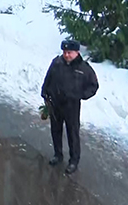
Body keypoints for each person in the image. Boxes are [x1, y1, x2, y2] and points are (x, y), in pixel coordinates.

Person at [41, 39, 99, 174]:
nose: (66, 55)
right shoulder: (57, 63)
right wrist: (45, 92)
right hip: (55, 103)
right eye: (65, 52)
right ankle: (58, 154)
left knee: (72, 133)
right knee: (56, 130)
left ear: (77, 52)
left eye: (69, 52)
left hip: (71, 106)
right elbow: (48, 78)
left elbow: (93, 86)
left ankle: (74, 161)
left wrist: (81, 95)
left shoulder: (84, 68)